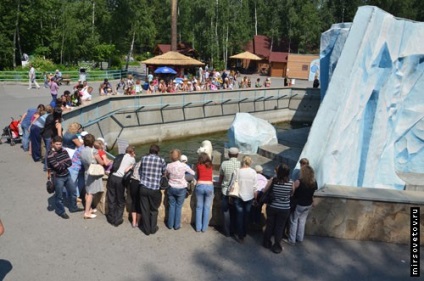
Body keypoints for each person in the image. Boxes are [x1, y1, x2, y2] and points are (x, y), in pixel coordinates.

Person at [47, 136, 83, 219]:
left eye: (60, 144)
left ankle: (73, 207)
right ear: (53, 144)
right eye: (57, 144)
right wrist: (64, 164)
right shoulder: (50, 155)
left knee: (73, 191)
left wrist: (62, 164)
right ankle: (61, 211)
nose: (59, 146)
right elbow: (57, 167)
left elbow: (70, 162)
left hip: (67, 175)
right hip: (58, 177)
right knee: (59, 196)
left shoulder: (64, 150)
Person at [262, 164, 293, 254]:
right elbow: (292, 193)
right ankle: (277, 246)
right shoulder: (291, 182)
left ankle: (266, 242)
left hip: (272, 206)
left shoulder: (273, 180)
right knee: (280, 227)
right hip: (284, 208)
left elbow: (265, 190)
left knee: (270, 225)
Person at [285, 165, 318, 245]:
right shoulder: (314, 182)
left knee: (294, 220)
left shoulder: (298, 182)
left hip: (299, 204)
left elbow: (292, 191)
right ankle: (300, 238)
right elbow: (313, 193)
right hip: (308, 204)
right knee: (302, 221)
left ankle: (292, 239)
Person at [138, 144, 166, 235]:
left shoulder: (143, 158)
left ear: (150, 151)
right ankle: (153, 228)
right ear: (157, 152)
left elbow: (140, 171)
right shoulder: (161, 160)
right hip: (154, 188)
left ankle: (146, 230)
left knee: (145, 209)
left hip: (143, 187)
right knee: (154, 210)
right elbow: (164, 173)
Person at [165, 149, 195, 230]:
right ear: (179, 156)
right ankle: (176, 225)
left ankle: (170, 225)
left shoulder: (168, 165)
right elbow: (193, 173)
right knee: (178, 207)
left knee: (172, 206)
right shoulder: (183, 165)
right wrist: (184, 177)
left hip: (171, 187)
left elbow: (166, 175)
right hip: (181, 188)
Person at [106, 146, 136, 226]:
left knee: (111, 198)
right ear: (132, 152)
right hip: (120, 180)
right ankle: (118, 219)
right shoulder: (132, 159)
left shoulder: (119, 156)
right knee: (120, 200)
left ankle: (111, 218)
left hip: (112, 177)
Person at [80, 134, 106, 219]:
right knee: (90, 193)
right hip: (93, 173)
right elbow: (102, 162)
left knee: (87, 191)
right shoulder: (94, 151)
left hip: (87, 171)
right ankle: (87, 213)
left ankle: (89, 208)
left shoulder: (82, 150)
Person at [233, 156, 258, 243]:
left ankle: (240, 236)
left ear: (242, 162)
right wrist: (255, 198)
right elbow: (255, 187)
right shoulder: (253, 172)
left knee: (239, 216)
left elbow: (233, 183)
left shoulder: (237, 171)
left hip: (239, 196)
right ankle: (244, 233)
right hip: (249, 197)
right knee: (246, 216)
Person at [218, 147, 240, 237]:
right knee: (236, 212)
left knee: (226, 212)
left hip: (225, 191)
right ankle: (234, 231)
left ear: (228, 154)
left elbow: (221, 178)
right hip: (236, 192)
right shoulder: (240, 164)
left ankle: (227, 232)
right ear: (238, 155)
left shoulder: (224, 164)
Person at [195, 152, 214, 232]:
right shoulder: (211, 166)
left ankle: (198, 228)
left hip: (200, 185)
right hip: (209, 186)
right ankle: (204, 228)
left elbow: (197, 176)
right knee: (207, 208)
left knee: (199, 207)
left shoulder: (198, 166)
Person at [129, 160, 142, 228]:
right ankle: (138, 221)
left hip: (133, 182)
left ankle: (133, 222)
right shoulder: (145, 164)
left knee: (134, 202)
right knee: (139, 202)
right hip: (140, 183)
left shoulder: (137, 163)